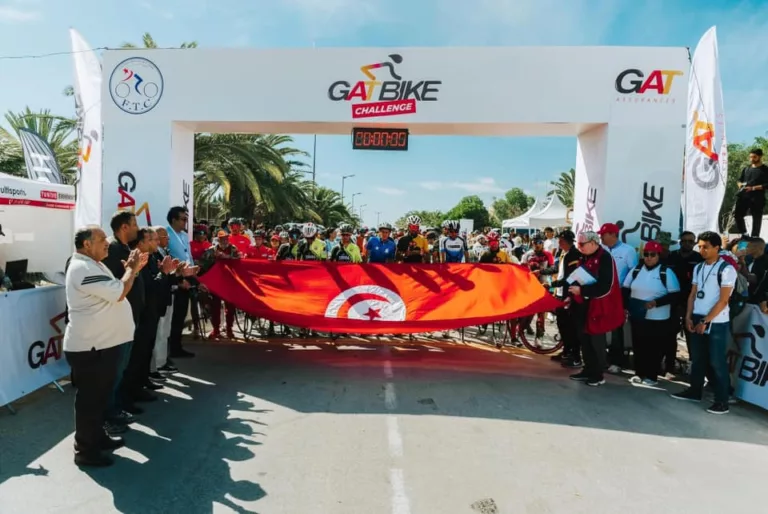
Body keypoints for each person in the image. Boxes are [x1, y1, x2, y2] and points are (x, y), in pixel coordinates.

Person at [64, 226, 145, 467]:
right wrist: (130, 268)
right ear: (87, 244)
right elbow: (119, 292)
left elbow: (117, 289)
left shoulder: (94, 264)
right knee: (90, 401)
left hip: (101, 346)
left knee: (99, 398)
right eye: (101, 240)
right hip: (91, 348)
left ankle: (97, 438)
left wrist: (133, 271)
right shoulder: (81, 267)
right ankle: (86, 451)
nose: (106, 244)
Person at [671, 231, 735, 414]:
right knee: (697, 358)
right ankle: (694, 391)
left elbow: (723, 301)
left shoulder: (727, 269)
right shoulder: (699, 268)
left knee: (716, 361)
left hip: (717, 321)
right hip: (698, 316)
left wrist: (706, 321)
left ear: (717, 247)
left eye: (705, 246)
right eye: (700, 246)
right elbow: (692, 294)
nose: (702, 250)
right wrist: (689, 317)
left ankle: (722, 400)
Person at [101, 211, 147, 428]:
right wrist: (132, 270)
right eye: (134, 223)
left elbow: (129, 278)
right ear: (124, 227)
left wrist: (136, 270)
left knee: (125, 366)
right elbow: (115, 286)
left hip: (130, 316)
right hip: (118, 318)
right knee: (116, 369)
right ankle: (112, 412)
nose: (138, 228)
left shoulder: (127, 249)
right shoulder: (112, 250)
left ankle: (121, 405)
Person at [566, 231, 625, 387]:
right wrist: (571, 295)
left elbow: (606, 286)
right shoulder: (585, 257)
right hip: (583, 306)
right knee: (584, 340)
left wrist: (583, 292)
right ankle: (588, 369)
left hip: (598, 306)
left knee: (595, 341)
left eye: (582, 244)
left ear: (593, 243)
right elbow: (577, 278)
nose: (579, 247)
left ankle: (598, 374)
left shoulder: (605, 258)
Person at [622, 241, 681, 386]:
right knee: (638, 345)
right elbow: (625, 289)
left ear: (658, 256)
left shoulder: (666, 272)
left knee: (654, 347)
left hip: (658, 317)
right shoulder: (636, 270)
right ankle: (640, 373)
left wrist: (656, 303)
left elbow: (675, 295)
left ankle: (652, 376)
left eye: (652, 255)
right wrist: (625, 307)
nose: (649, 258)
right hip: (638, 315)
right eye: (646, 254)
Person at [598, 222, 638, 373]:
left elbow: (633, 271)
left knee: (616, 328)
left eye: (604, 234)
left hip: (618, 293)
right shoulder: (600, 250)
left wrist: (624, 291)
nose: (601, 237)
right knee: (599, 325)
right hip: (600, 292)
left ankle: (617, 361)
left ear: (613, 235)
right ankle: (600, 358)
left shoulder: (628, 251)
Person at [540, 229, 582, 367]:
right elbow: (556, 268)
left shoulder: (575, 255)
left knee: (571, 327)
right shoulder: (562, 252)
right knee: (562, 324)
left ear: (567, 241)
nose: (558, 242)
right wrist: (540, 272)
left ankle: (575, 355)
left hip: (568, 295)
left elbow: (570, 278)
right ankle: (566, 350)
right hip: (559, 293)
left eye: (561, 240)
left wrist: (552, 284)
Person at [664, 230, 703, 372]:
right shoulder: (672, 256)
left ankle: (692, 365)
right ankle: (669, 363)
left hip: (691, 303)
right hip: (673, 302)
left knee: (691, 335)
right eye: (684, 241)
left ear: (694, 243)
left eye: (690, 241)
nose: (687, 243)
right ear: (680, 242)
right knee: (669, 334)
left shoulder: (699, 258)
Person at [166, 206, 198, 359]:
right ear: (174, 220)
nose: (186, 222)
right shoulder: (166, 234)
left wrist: (193, 270)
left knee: (181, 314)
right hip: (174, 280)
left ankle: (177, 347)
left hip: (188, 277)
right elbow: (166, 257)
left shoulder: (185, 236)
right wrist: (179, 278)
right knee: (173, 316)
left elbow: (188, 255)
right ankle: (171, 348)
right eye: (183, 219)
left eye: (187, 219)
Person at [200, 231, 241, 339]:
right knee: (215, 306)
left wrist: (226, 257)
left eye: (226, 238)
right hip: (216, 283)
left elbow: (239, 262)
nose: (224, 241)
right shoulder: (211, 251)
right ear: (218, 240)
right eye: (222, 239)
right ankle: (216, 329)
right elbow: (203, 265)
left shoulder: (233, 249)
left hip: (229, 282)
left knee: (230, 307)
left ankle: (229, 329)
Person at [734, 148, 768, 237]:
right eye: (750, 157)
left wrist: (753, 188)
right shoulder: (746, 169)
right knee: (737, 215)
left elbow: (766, 185)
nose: (752, 159)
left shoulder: (765, 169)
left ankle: (755, 238)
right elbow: (739, 180)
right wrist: (740, 185)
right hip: (744, 197)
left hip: (757, 198)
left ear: (760, 157)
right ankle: (744, 234)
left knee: (756, 219)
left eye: (754, 157)